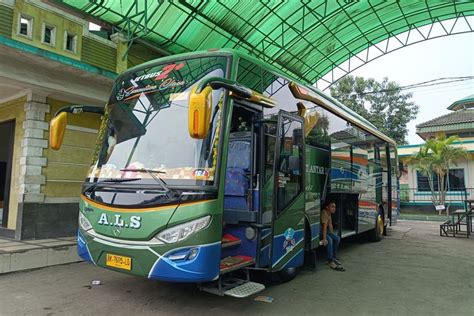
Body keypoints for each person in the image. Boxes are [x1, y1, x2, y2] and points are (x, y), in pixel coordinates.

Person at [321, 200, 344, 271]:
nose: (334, 208)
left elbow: (330, 225)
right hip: (320, 231)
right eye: (332, 207)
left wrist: (332, 234)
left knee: (337, 238)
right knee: (329, 240)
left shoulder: (329, 213)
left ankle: (333, 258)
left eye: (335, 207)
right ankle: (330, 261)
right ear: (327, 207)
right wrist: (324, 239)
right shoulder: (324, 213)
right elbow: (324, 227)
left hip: (325, 230)